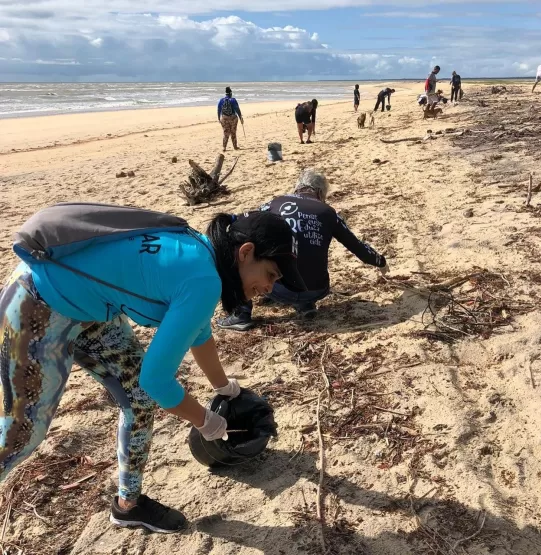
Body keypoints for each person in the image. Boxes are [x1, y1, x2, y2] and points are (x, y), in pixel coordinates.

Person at [0, 206, 304, 533]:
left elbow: (199, 333)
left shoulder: (199, 250)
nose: (270, 288)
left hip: (90, 310)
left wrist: (225, 388)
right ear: (246, 253)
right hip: (36, 305)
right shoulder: (204, 280)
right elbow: (156, 380)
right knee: (23, 434)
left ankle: (128, 506)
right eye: (271, 274)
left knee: (138, 401)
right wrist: (206, 421)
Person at [217, 169, 389, 331]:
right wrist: (380, 261)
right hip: (317, 290)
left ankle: (241, 315)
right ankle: (305, 304)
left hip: (281, 289)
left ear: (297, 187)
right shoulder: (329, 213)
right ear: (321, 194)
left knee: (251, 247)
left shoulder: (275, 203)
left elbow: (244, 222)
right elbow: (357, 246)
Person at [217, 86, 243, 151]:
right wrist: (240, 117)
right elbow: (237, 109)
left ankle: (224, 147)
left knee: (226, 133)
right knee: (233, 133)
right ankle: (235, 146)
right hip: (233, 118)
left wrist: (218, 118)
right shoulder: (233, 100)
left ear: (225, 94)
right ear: (231, 93)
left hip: (224, 118)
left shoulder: (221, 100)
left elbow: (218, 109)